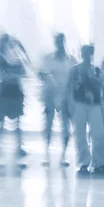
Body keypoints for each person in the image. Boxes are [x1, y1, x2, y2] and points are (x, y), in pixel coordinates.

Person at [69, 44, 104, 174]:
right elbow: (69, 88)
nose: (87, 55)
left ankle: (99, 162)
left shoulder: (96, 70)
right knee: (80, 134)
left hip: (95, 105)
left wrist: (93, 78)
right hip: (79, 103)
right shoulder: (74, 70)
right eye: (85, 53)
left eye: (90, 53)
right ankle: (83, 163)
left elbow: (102, 88)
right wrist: (70, 104)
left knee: (98, 134)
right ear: (81, 54)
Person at [39, 33, 77, 167]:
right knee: (48, 124)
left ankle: (63, 156)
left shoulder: (71, 59)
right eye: (57, 41)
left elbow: (75, 78)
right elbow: (43, 75)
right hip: (50, 95)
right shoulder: (48, 59)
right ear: (55, 43)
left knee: (66, 127)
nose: (60, 44)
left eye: (61, 41)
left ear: (64, 42)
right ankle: (46, 155)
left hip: (66, 96)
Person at [0, 34, 28, 166]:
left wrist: (11, 74)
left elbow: (23, 72)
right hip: (5, 93)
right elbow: (3, 76)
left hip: (14, 93)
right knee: (1, 125)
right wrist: (14, 74)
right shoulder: (0, 58)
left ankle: (17, 149)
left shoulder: (15, 56)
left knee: (16, 125)